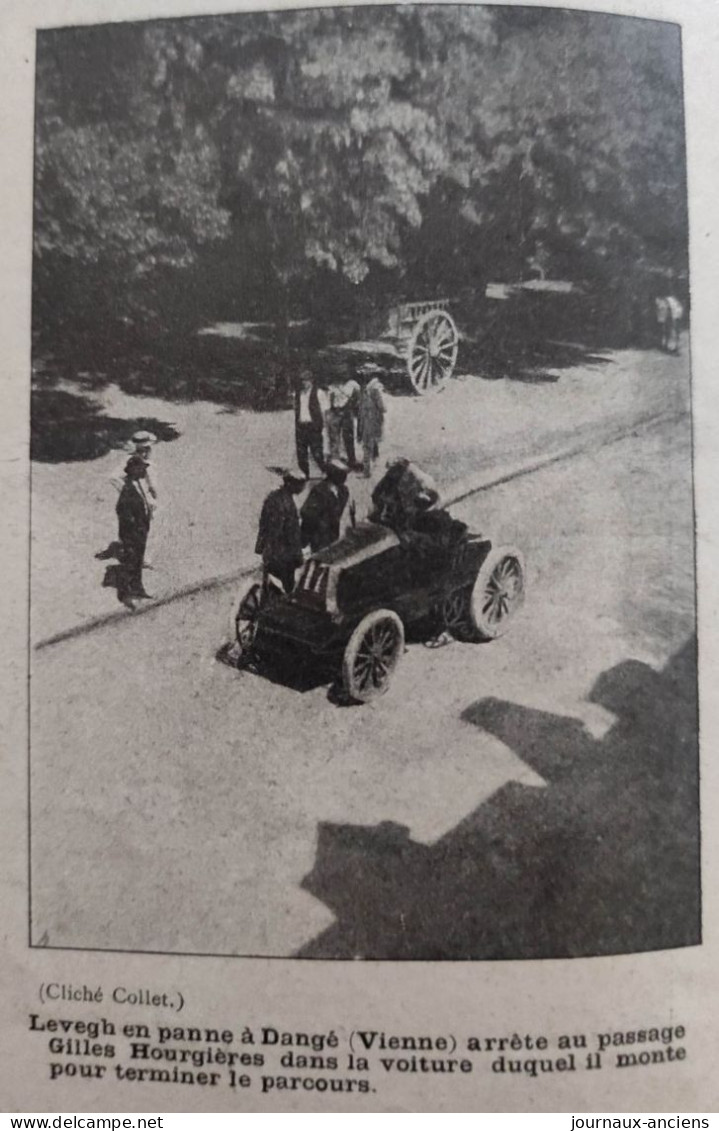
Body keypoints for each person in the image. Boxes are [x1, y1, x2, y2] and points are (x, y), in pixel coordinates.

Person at [254, 468, 306, 594]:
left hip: (274, 553)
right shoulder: (284, 502)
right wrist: (297, 556)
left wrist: (261, 547)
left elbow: (264, 526)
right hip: (283, 556)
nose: (302, 487)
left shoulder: (276, 497)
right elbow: (284, 532)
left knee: (273, 586)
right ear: (290, 483)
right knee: (283, 589)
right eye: (299, 484)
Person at [115, 455, 154, 609]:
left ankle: (139, 590)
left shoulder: (138, 484)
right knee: (131, 563)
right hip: (132, 534)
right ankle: (127, 596)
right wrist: (133, 528)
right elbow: (121, 510)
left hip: (140, 531)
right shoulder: (128, 488)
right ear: (134, 470)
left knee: (137, 562)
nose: (144, 471)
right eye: (142, 468)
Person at [369, 457, 440, 531]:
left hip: (420, 498)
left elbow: (407, 501)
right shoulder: (396, 475)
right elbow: (377, 493)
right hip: (414, 495)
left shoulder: (410, 478)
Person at [300, 458, 350, 553]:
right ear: (333, 474)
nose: (345, 477)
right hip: (319, 536)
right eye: (342, 473)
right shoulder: (319, 491)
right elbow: (307, 513)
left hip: (334, 533)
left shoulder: (344, 491)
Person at [294, 370, 326, 479]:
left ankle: (324, 471)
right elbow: (297, 409)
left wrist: (323, 426)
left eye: (306, 380)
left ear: (311, 381)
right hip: (301, 426)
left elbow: (324, 411)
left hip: (313, 426)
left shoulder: (319, 393)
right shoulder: (299, 394)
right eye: (302, 380)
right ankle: (304, 474)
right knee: (301, 452)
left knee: (317, 452)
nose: (304, 383)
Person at [356, 363, 386, 478]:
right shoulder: (369, 387)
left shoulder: (374, 388)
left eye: (366, 372)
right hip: (368, 420)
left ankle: (367, 471)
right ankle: (372, 466)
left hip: (370, 421)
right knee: (371, 444)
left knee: (367, 446)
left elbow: (382, 407)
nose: (364, 374)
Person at [327, 371, 360, 468]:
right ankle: (335, 459)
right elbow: (331, 398)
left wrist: (351, 407)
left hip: (346, 412)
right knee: (334, 436)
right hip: (335, 412)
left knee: (348, 437)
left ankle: (351, 459)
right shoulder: (333, 385)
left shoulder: (353, 384)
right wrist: (333, 408)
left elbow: (357, 398)